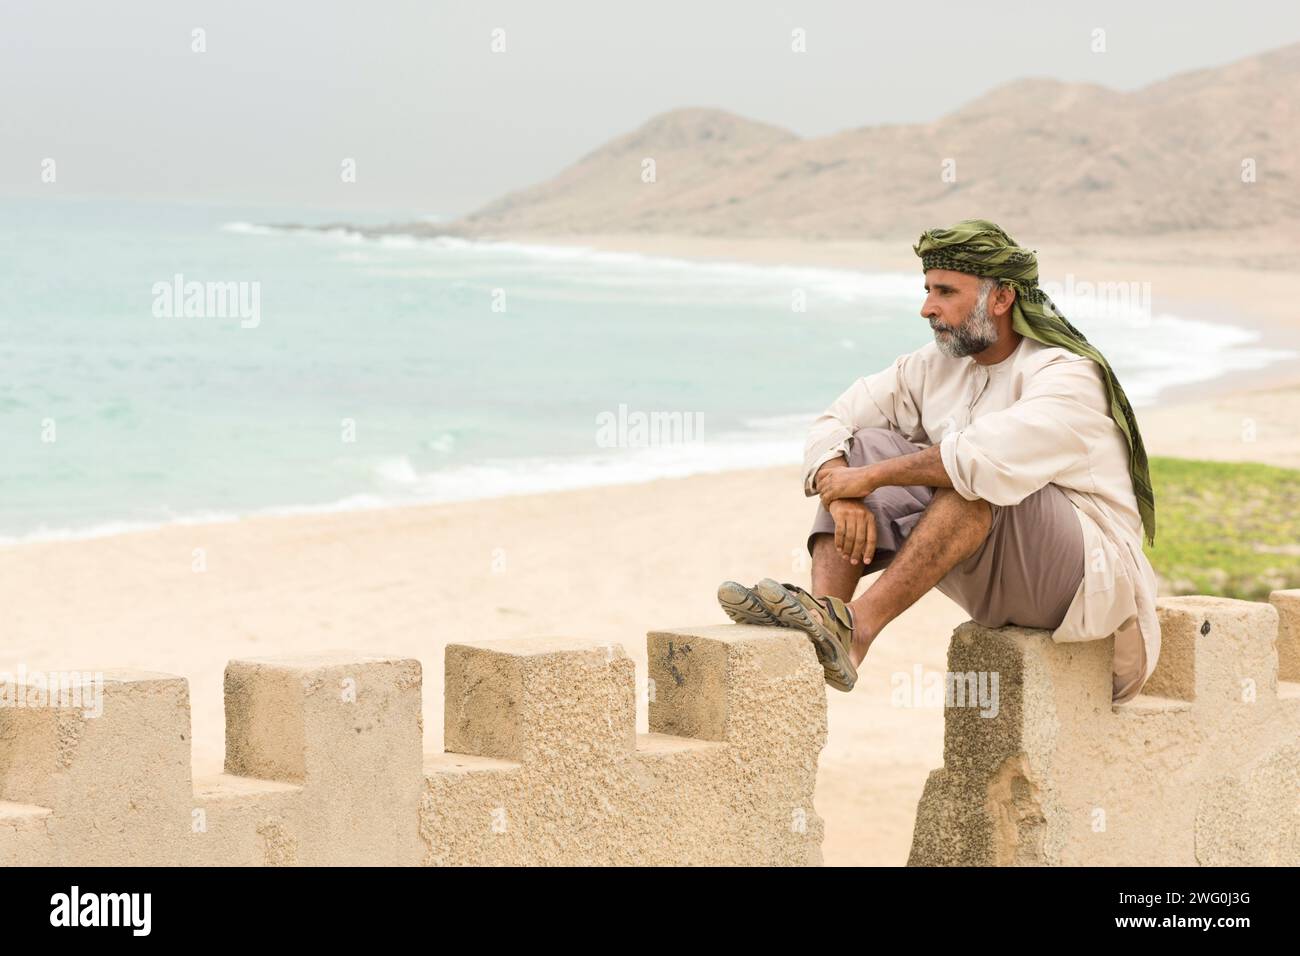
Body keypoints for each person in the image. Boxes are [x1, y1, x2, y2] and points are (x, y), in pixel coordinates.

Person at [717, 219, 1159, 703]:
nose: (927, 308)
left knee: (971, 481)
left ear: (1001, 298)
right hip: (991, 570)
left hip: (1082, 585)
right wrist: (841, 489)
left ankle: (860, 629)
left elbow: (981, 460)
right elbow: (834, 419)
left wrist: (865, 480)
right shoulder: (933, 365)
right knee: (863, 442)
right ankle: (826, 619)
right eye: (928, 290)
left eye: (946, 292)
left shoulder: (1066, 374)